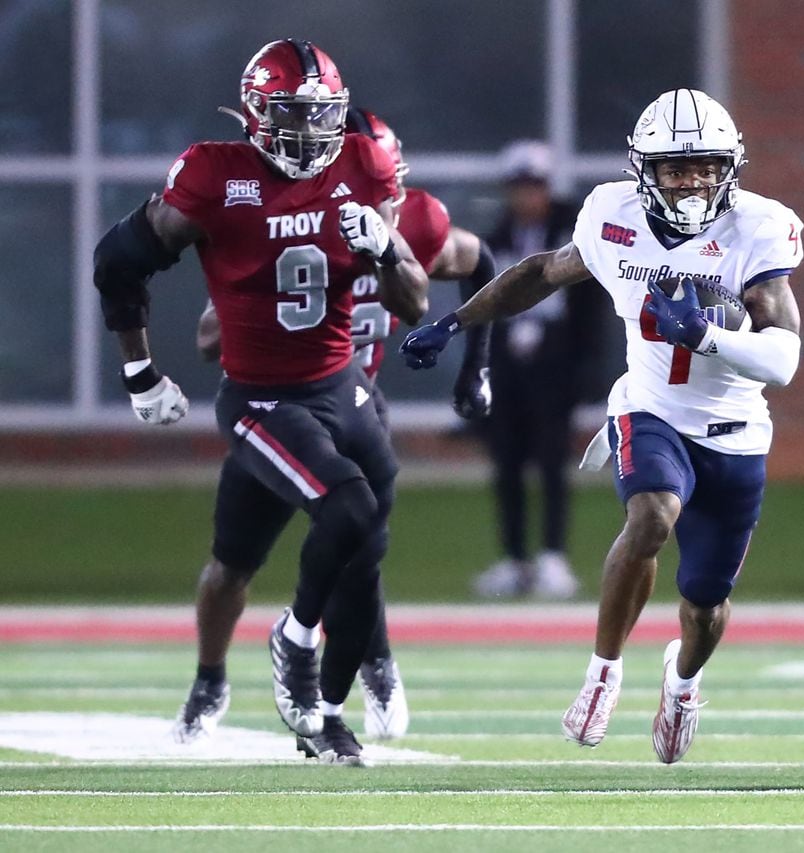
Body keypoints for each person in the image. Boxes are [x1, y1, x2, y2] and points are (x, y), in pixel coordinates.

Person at [93, 40, 481, 765]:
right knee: (317, 526)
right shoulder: (216, 175)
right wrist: (140, 371)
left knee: (363, 542)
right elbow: (117, 261)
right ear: (258, 114)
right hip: (263, 397)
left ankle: (328, 714)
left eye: (324, 116)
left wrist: (386, 251)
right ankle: (275, 647)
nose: (312, 133)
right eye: (295, 116)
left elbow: (414, 299)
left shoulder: (363, 167)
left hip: (344, 386)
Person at [400, 89, 804, 764]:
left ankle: (682, 683)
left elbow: (785, 357)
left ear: (729, 166)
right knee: (650, 517)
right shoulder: (613, 214)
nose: (692, 181)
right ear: (643, 169)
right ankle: (602, 671)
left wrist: (707, 334)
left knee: (704, 607)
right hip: (649, 408)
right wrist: (455, 321)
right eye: (675, 168)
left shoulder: (757, 228)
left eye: (704, 165)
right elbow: (540, 273)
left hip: (735, 430)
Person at [184, 106, 496, 745]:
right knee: (232, 562)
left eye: (392, 178)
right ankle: (211, 677)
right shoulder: (294, 215)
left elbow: (478, 261)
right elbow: (210, 337)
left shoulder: (413, 219)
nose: (389, 191)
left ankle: (362, 674)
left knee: (358, 546)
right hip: (277, 405)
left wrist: (475, 369)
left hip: (354, 398)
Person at [470, 140, 606, 601]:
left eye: (535, 185)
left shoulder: (571, 239)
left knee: (552, 464)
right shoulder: (497, 240)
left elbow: (591, 310)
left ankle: (552, 556)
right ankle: (513, 558)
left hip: (555, 370)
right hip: (508, 371)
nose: (527, 196)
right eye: (519, 186)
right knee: (506, 464)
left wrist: (587, 368)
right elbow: (481, 308)